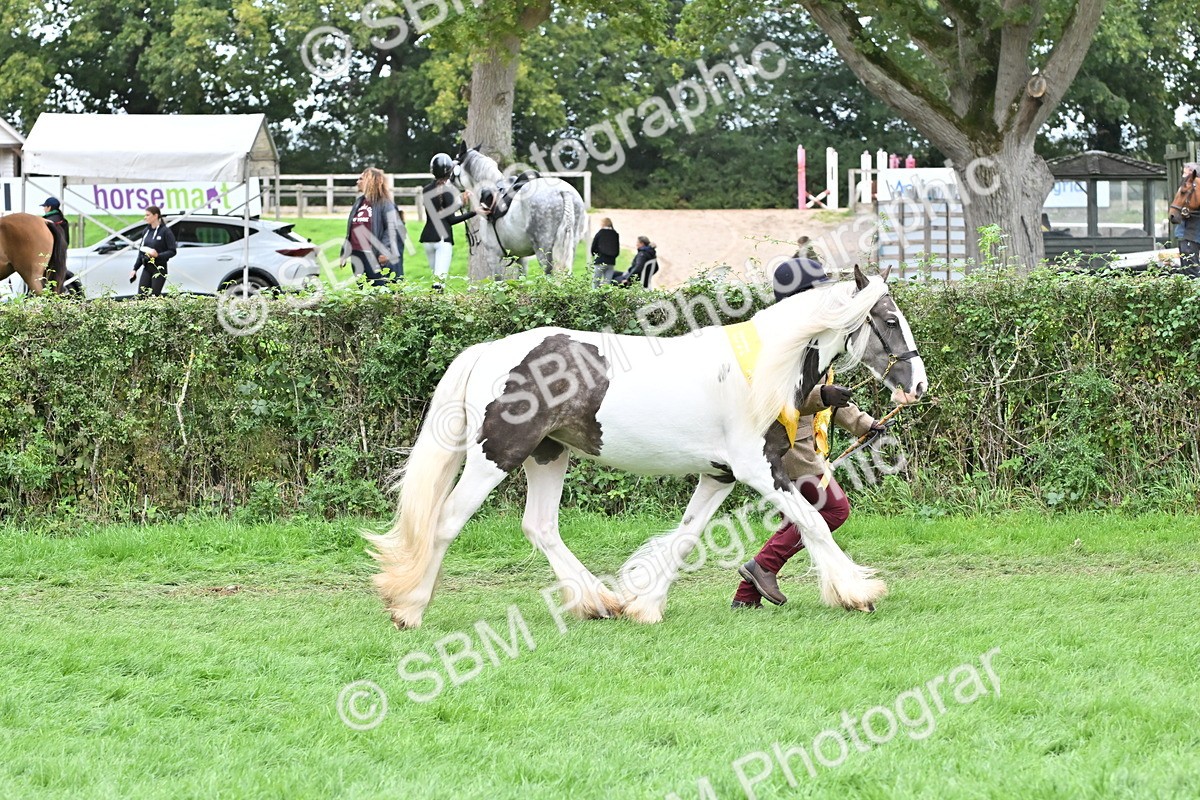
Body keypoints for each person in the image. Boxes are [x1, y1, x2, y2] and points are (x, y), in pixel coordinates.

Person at [731, 258, 886, 609]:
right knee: (833, 510)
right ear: (799, 297)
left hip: (804, 445)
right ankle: (762, 567)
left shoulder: (815, 336)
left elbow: (829, 393)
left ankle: (746, 594)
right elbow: (776, 398)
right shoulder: (781, 340)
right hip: (789, 446)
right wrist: (822, 397)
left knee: (801, 516)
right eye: (818, 291)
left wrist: (864, 423)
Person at [420, 153, 476, 292]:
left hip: (427, 239)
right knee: (439, 282)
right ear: (450, 171)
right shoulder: (448, 191)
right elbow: (451, 219)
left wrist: (460, 203)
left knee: (435, 279)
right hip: (442, 240)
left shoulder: (426, 190)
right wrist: (475, 212)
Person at [343, 167, 405, 286]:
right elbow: (351, 229)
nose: (357, 181)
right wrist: (344, 253)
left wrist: (385, 250)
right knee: (363, 291)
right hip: (357, 255)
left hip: (373, 256)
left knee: (378, 290)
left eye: (361, 179)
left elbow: (392, 228)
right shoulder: (359, 202)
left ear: (370, 181)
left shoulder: (384, 203)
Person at [128, 205, 178, 296]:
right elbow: (141, 251)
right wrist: (135, 269)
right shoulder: (146, 231)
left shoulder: (165, 231)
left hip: (159, 268)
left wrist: (158, 255)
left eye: (148, 215)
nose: (145, 217)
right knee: (141, 295)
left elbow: (172, 251)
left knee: (154, 296)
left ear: (155, 216)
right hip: (147, 267)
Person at [1175, 162, 1200, 278]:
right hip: (1187, 232)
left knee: (1191, 267)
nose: (1184, 175)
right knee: (1188, 265)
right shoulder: (1185, 187)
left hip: (1193, 232)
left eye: (1187, 172)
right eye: (1184, 172)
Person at [590, 218, 620, 287]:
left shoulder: (600, 233)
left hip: (600, 260)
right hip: (611, 262)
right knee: (607, 284)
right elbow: (617, 250)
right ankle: (606, 297)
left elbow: (593, 247)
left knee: (596, 282)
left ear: (603, 224)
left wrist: (594, 255)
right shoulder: (615, 234)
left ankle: (595, 297)